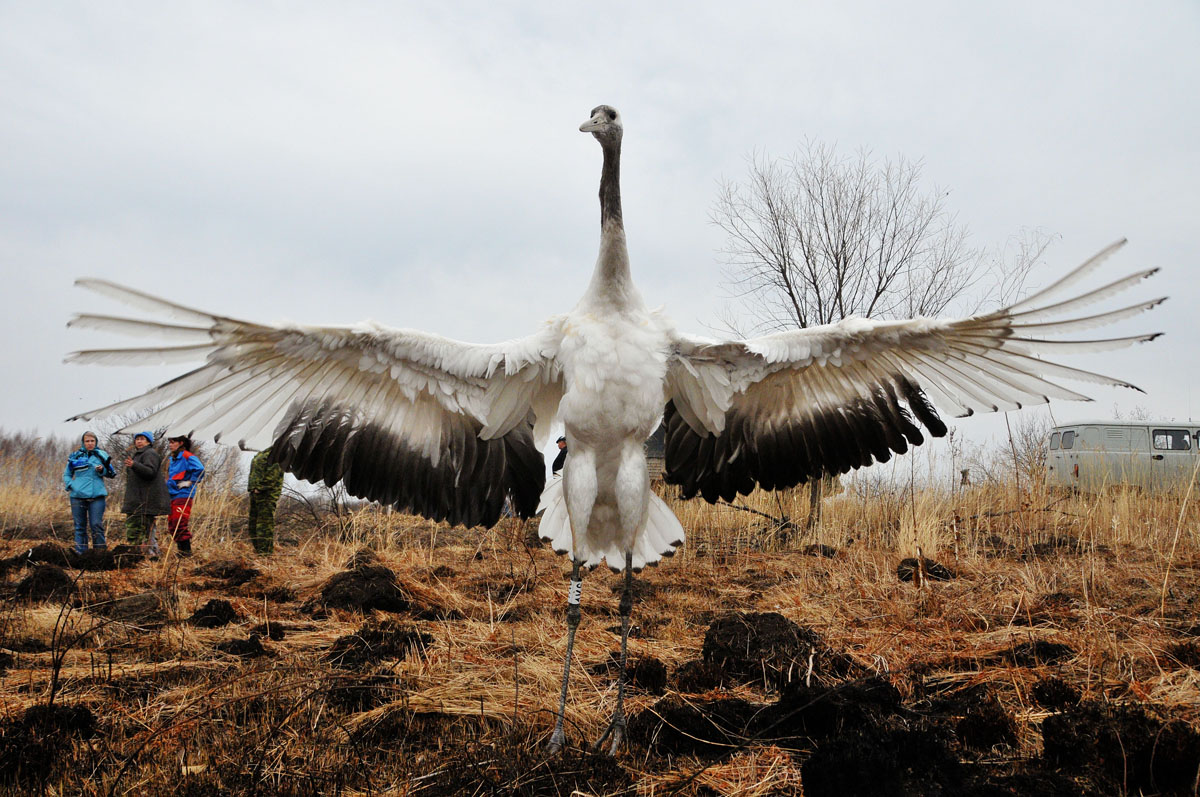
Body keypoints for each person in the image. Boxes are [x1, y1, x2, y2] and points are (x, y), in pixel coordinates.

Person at [63, 431, 116, 555]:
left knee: (96, 524)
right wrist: (72, 485)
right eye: (87, 441)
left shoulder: (102, 455)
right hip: (77, 496)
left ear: (96, 442)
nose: (90, 443)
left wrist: (102, 470)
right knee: (79, 526)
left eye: (92, 441)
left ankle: (100, 554)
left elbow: (111, 473)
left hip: (97, 496)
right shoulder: (75, 456)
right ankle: (81, 554)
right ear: (83, 443)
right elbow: (67, 474)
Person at [122, 431, 170, 558]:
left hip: (145, 500)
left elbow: (150, 472)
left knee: (142, 529)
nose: (139, 441)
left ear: (148, 441)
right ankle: (149, 554)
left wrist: (134, 465)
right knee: (143, 529)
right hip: (138, 500)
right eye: (137, 439)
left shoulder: (150, 453)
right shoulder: (137, 455)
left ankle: (145, 555)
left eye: (142, 439)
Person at [165, 435, 205, 556]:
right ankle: (181, 552)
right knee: (172, 524)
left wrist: (190, 481)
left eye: (173, 442)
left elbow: (200, 469)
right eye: (170, 443)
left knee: (179, 522)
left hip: (184, 494)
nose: (170, 445)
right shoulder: (173, 459)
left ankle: (186, 552)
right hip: (172, 493)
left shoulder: (187, 456)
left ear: (181, 443)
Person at [246, 448, 283, 555]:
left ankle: (265, 554)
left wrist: (259, 488)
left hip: (266, 496)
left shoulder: (276, 454)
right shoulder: (262, 453)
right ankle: (259, 551)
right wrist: (252, 488)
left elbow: (272, 476)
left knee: (264, 526)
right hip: (255, 494)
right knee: (253, 525)